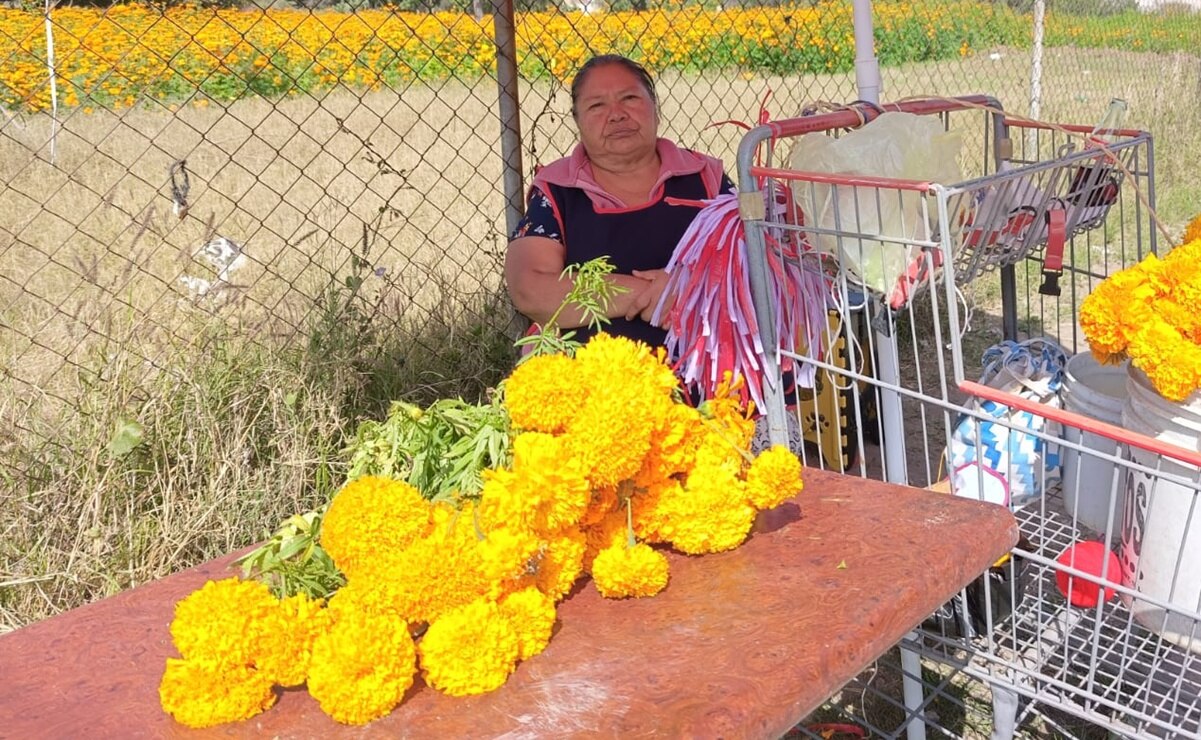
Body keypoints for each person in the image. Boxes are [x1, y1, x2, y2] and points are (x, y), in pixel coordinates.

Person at [504, 54, 734, 350]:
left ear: (656, 108)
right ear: (578, 120)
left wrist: (693, 285)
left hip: (712, 369)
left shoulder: (704, 177)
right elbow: (529, 289)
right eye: (597, 105)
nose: (616, 114)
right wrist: (651, 295)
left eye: (629, 98)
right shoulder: (558, 190)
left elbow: (757, 262)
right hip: (595, 378)